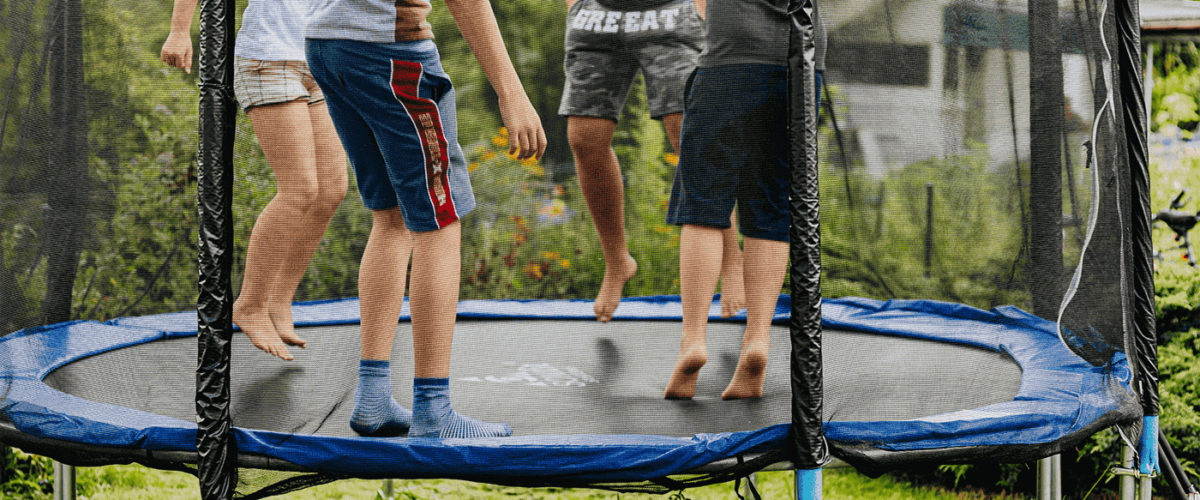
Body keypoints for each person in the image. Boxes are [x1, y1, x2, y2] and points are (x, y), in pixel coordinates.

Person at [305, 0, 547, 437]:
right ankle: (433, 409)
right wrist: (511, 92)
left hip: (327, 43)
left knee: (392, 216)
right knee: (440, 220)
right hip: (389, 51)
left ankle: (373, 396)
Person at [161, 0, 349, 361]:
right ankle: (250, 304)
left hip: (318, 60)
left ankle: (278, 299)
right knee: (300, 191)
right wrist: (179, 30)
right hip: (268, 58)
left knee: (331, 191)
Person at [663, 0, 826, 400]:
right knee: (771, 206)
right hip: (803, 64)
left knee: (701, 205)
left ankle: (693, 341)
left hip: (731, 59)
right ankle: (757, 341)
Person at [560, 0, 747, 323]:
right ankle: (617, 261)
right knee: (584, 137)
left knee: (689, 132)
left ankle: (732, 259)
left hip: (669, 10)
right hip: (597, 15)